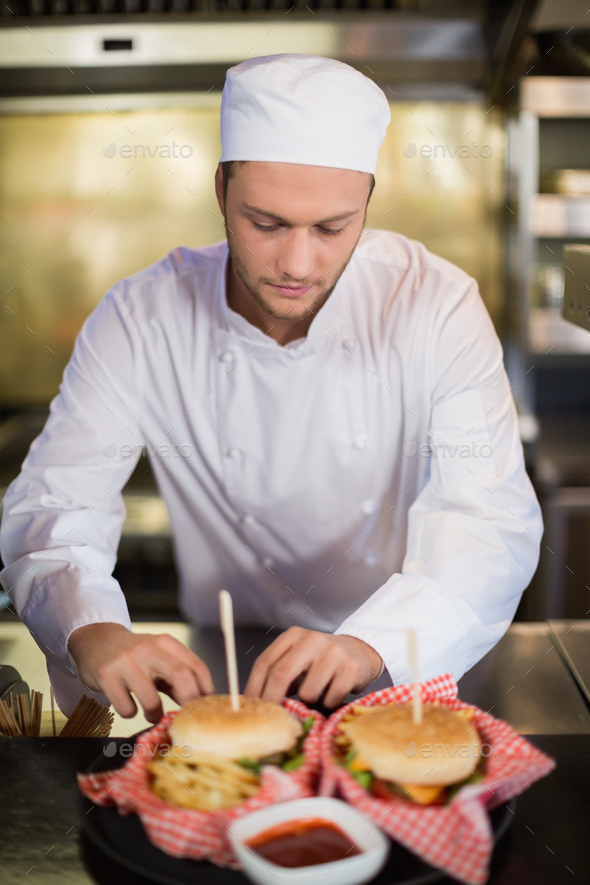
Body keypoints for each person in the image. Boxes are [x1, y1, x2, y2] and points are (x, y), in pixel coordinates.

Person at [0, 54, 542, 722]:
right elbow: (57, 499)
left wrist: (370, 645)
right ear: (221, 187)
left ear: (368, 200)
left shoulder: (435, 305)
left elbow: (487, 519)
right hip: (219, 669)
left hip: (399, 659)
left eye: (331, 229)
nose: (296, 263)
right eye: (266, 223)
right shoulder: (142, 315)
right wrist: (88, 624)